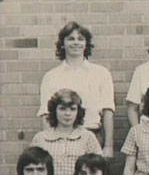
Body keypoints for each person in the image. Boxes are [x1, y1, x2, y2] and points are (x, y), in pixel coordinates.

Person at [37, 21, 115, 157]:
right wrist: (47, 144)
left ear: (86, 44)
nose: (76, 43)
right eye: (71, 39)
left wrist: (108, 145)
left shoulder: (101, 73)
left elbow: (108, 111)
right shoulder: (51, 76)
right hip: (59, 138)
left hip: (92, 135)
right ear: (62, 44)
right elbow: (45, 114)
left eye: (80, 39)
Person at [31, 89, 102, 175]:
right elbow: (32, 171)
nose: (67, 114)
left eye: (72, 109)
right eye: (62, 109)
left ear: (78, 112)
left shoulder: (87, 137)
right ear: (54, 110)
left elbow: (99, 170)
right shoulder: (41, 138)